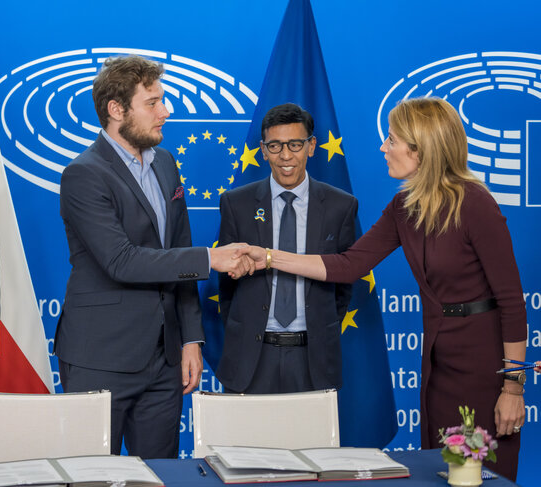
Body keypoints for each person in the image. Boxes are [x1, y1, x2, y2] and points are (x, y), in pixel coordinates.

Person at [236, 97, 525, 481]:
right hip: (438, 359)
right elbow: (347, 264)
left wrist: (513, 387)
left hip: (483, 363)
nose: (382, 147)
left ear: (421, 148)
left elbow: (511, 302)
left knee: (481, 474)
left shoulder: (475, 204)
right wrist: (269, 257)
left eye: (391, 139)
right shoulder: (404, 206)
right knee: (440, 470)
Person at [55, 55, 251, 458]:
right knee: (94, 479)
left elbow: (176, 253)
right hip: (100, 357)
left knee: (161, 474)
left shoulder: (165, 163)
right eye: (153, 103)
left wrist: (191, 339)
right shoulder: (83, 174)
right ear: (116, 110)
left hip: (165, 362)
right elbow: (121, 261)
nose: (166, 112)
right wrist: (211, 259)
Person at [216, 103, 357, 394]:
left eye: (295, 144)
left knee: (312, 441)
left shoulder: (340, 206)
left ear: (311, 146)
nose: (285, 155)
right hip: (251, 358)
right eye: (275, 146)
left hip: (313, 359)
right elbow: (227, 286)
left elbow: (343, 284)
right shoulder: (236, 204)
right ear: (263, 150)